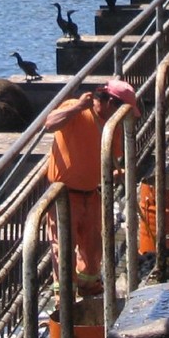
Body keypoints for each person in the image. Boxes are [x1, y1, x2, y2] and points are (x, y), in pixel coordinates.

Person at [44, 79, 139, 297]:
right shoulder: (74, 108)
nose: (124, 117)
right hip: (64, 195)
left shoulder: (112, 126)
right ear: (110, 102)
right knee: (64, 249)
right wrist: (78, 107)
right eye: (123, 110)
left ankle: (89, 289)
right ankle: (65, 298)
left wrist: (116, 175)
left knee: (93, 248)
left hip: (92, 193)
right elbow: (49, 124)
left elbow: (107, 159)